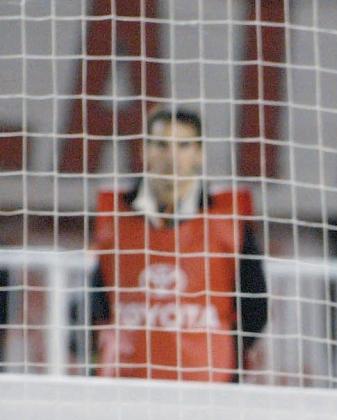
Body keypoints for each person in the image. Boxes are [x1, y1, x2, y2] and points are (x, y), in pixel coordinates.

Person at [86, 107, 268, 382]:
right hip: (125, 382)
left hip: (208, 383)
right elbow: (95, 302)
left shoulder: (228, 220)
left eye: (183, 146)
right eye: (161, 145)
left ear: (199, 154)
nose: (172, 157)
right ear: (145, 151)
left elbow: (255, 309)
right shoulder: (114, 217)